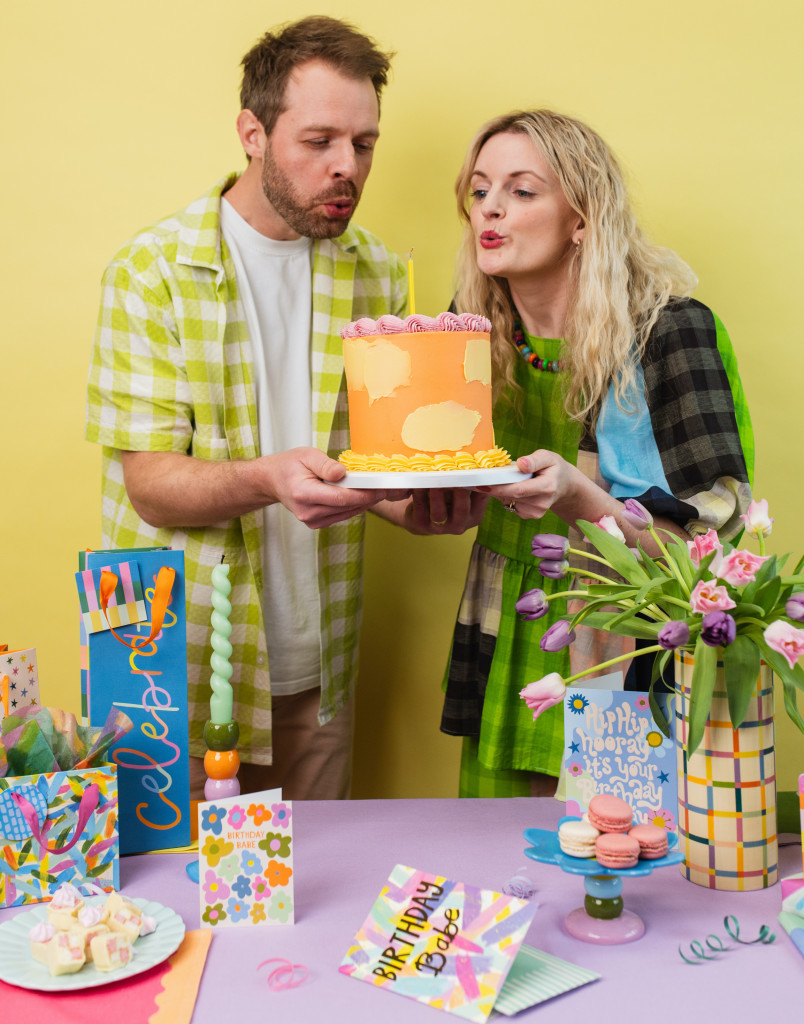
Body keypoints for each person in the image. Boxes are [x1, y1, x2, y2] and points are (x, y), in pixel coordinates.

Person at [85, 17, 413, 801]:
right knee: (172, 907)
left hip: (317, 664)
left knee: (309, 905)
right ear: (253, 133)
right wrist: (270, 477)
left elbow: (377, 462)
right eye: (319, 141)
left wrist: (424, 501)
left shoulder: (378, 274)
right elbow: (152, 485)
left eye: (364, 144)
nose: (347, 168)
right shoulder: (150, 272)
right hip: (172, 669)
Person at [440, 110, 754, 798]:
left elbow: (708, 553)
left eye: (522, 191)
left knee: (615, 866)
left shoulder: (670, 333)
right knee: (500, 866)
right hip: (510, 629)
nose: (490, 208)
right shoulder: (468, 332)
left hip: (629, 636)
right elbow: (437, 475)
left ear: (581, 218)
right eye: (480, 190)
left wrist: (585, 503)